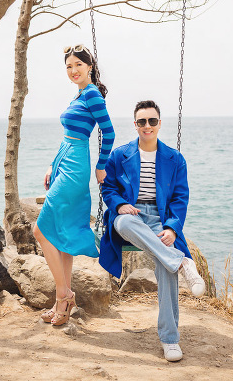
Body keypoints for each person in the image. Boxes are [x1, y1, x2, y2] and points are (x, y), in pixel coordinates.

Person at [99, 100, 205, 362]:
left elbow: (180, 198)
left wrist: (171, 228)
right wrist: (119, 205)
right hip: (130, 215)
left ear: (159, 124)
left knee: (166, 263)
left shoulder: (174, 158)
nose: (147, 126)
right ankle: (182, 262)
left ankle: (170, 339)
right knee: (123, 223)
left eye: (152, 121)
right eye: (142, 121)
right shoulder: (119, 155)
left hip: (160, 217)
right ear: (135, 124)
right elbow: (107, 188)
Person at [33, 44, 115, 326]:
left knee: (40, 230)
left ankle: (64, 294)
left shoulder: (92, 94)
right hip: (65, 160)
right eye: (69, 66)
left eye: (78, 65)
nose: (73, 70)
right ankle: (62, 303)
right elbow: (68, 135)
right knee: (64, 235)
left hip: (76, 165)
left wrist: (102, 165)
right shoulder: (79, 95)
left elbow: (109, 132)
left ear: (89, 66)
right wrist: (51, 164)